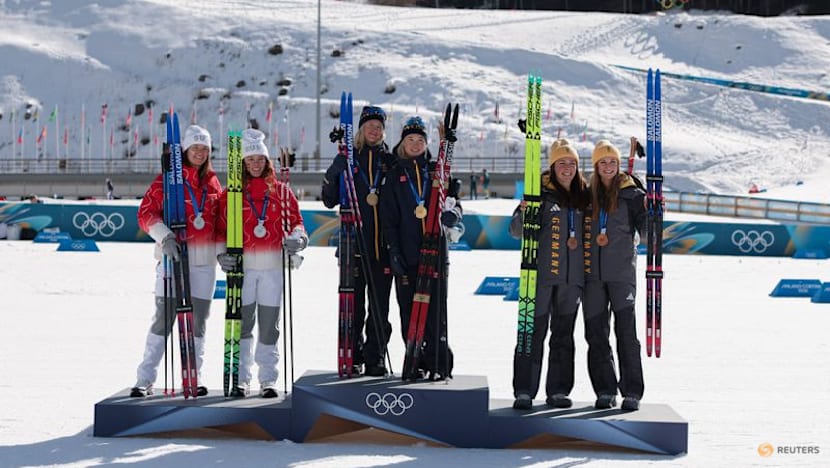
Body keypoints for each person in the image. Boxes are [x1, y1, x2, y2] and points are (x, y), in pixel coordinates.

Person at [132, 125, 222, 397]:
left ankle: (193, 377)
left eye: (204, 148)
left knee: (198, 323)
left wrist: (222, 252)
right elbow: (146, 213)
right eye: (195, 147)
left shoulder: (213, 183)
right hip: (173, 259)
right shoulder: (167, 180)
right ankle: (144, 379)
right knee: (163, 320)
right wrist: (165, 236)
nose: (200, 152)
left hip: (203, 263)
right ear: (184, 150)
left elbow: (219, 224)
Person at [216, 129, 307, 398]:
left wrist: (298, 240)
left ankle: (268, 378)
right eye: (249, 160)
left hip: (272, 269)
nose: (255, 164)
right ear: (242, 164)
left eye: (260, 159)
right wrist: (222, 253)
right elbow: (220, 229)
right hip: (243, 269)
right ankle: (241, 378)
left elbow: (297, 223)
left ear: (267, 162)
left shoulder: (281, 191)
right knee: (242, 325)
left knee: (269, 326)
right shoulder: (231, 194)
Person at [379, 116, 462, 381]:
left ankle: (439, 362)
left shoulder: (437, 171)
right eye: (410, 140)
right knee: (409, 311)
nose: (415, 145)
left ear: (426, 144)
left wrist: (454, 215)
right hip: (407, 253)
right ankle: (415, 359)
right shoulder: (394, 174)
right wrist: (393, 250)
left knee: (437, 312)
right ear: (402, 143)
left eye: (420, 140)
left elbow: (454, 203)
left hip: (436, 252)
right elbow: (388, 218)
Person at [509, 138, 589, 410]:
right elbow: (516, 232)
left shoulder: (585, 196)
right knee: (531, 333)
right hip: (540, 277)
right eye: (561, 163)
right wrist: (522, 213)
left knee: (563, 336)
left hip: (572, 280)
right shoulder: (538, 192)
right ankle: (524, 390)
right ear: (552, 166)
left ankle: (558, 391)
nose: (567, 168)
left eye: (572, 163)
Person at [321, 105, 396, 376]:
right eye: (369, 126)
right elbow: (329, 199)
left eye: (379, 126)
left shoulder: (390, 158)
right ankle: (352, 354)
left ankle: (375, 355)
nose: (374, 131)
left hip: (382, 247)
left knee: (379, 307)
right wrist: (334, 171)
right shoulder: (348, 157)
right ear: (361, 130)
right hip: (352, 244)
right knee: (352, 306)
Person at [582, 139, 646, 411]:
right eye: (603, 162)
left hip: (621, 275)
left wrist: (653, 211)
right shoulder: (585, 195)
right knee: (596, 335)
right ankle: (605, 390)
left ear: (618, 165)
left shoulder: (632, 195)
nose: (608, 167)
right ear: (595, 166)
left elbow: (647, 232)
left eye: (612, 162)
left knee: (626, 334)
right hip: (592, 276)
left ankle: (631, 391)